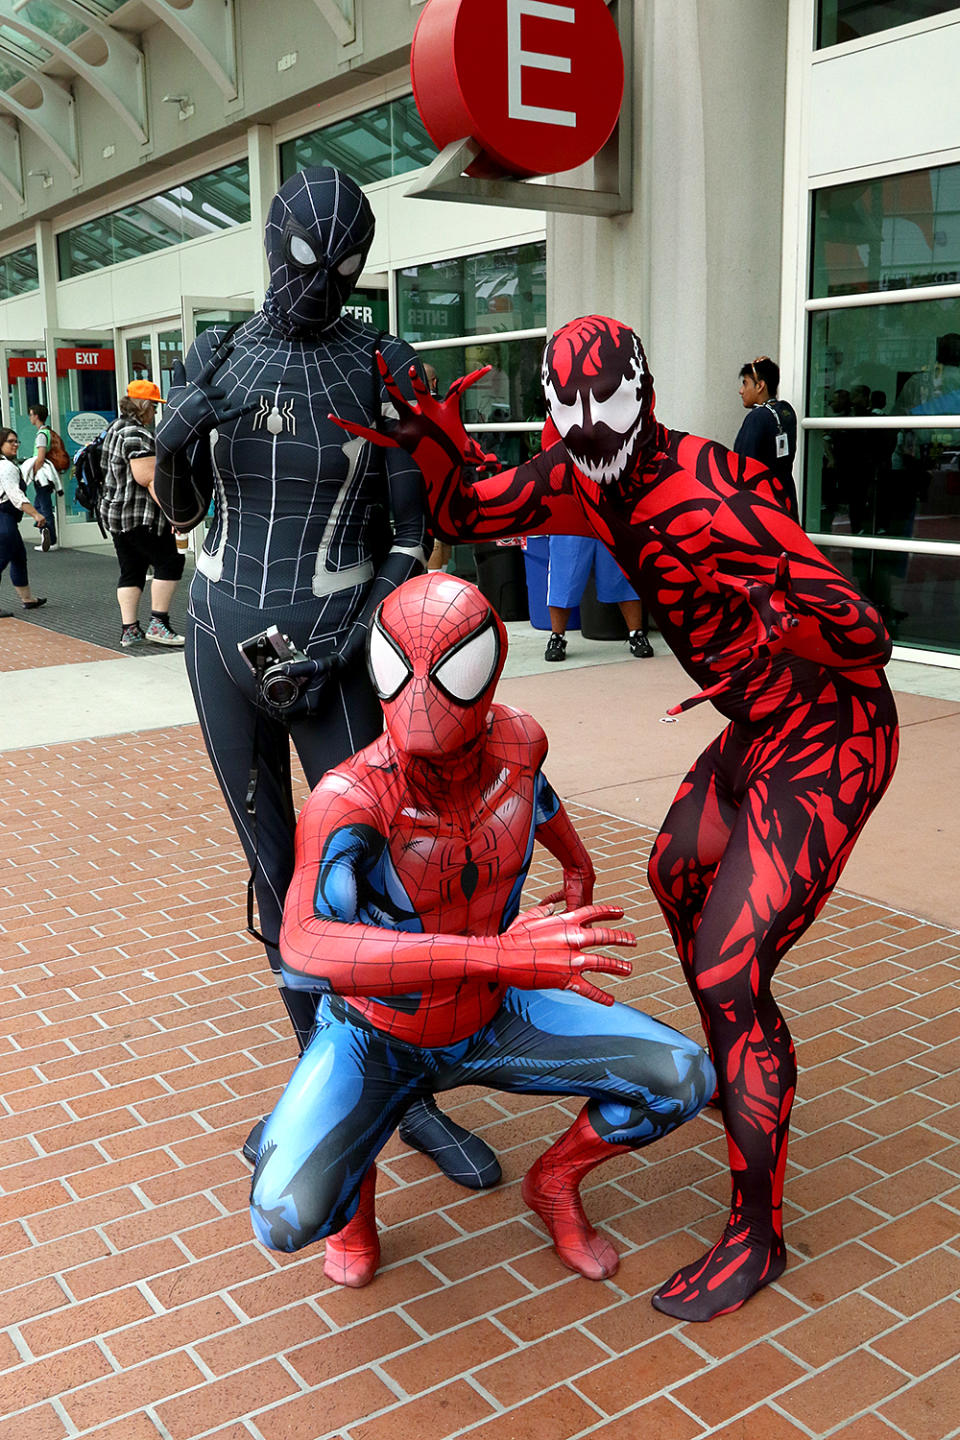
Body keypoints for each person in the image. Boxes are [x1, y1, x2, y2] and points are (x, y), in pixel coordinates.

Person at [333, 314, 899, 1321]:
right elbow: (471, 506)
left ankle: (755, 1233)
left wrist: (794, 609)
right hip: (751, 735)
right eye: (571, 408)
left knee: (730, 969)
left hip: (829, 731)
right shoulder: (576, 477)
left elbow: (869, 636)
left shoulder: (721, 491)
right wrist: (435, 447)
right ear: (553, 409)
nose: (591, 426)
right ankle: (740, 1059)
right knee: (679, 879)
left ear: (646, 389)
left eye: (611, 402)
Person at [154, 165, 497, 1190]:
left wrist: (345, 642)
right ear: (273, 246)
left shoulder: (380, 366)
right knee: (276, 879)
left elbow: (411, 533)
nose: (320, 283)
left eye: (344, 266)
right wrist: (176, 430)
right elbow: (180, 508)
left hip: (331, 648)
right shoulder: (214, 355)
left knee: (373, 885)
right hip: (219, 632)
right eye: (309, 258)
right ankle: (322, 1090)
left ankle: (405, 1096)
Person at [251, 571, 715, 1286]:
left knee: (681, 1077)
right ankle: (353, 1197)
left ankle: (554, 1184)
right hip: (379, 1031)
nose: (421, 719)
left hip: (499, 1009)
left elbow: (537, 798)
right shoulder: (351, 797)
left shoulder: (520, 742)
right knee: (285, 1214)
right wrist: (499, 951)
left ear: (488, 671)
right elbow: (306, 939)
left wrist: (577, 866)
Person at [100, 380, 185, 649]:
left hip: (116, 515)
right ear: (144, 406)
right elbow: (147, 479)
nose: (155, 413)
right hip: (140, 516)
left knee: (131, 569)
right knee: (170, 562)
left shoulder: (113, 428)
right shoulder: (136, 434)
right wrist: (173, 515)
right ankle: (158, 624)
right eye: (154, 407)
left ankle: (130, 629)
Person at [544, 532, 653, 661]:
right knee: (564, 574)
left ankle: (636, 634)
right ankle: (557, 637)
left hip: (609, 516)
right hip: (571, 519)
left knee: (622, 572)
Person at [734, 355, 799, 519]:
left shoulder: (757, 417)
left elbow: (743, 466)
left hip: (761, 505)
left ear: (760, 386)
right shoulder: (786, 412)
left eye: (745, 383)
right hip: (785, 498)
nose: (741, 391)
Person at [0, 427, 49, 614]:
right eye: (10, 442)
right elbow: (15, 494)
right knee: (2, 559)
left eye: (16, 441)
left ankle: (28, 599)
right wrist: (36, 514)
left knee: (18, 556)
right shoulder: (6, 467)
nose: (15, 445)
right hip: (4, 518)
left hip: (7, 518)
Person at [22, 403, 62, 551]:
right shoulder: (47, 432)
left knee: (44, 507)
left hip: (42, 476)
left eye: (31, 414)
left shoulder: (41, 435)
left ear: (36, 416)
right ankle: (45, 533)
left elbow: (40, 457)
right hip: (46, 476)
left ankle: (50, 540)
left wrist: (32, 472)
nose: (30, 418)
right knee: (39, 506)